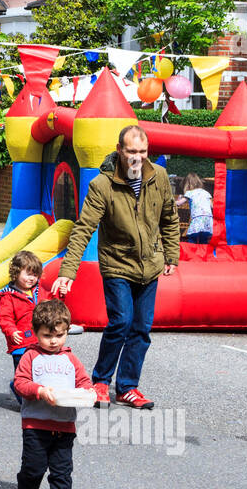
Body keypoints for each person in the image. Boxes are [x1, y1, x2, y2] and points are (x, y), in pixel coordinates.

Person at [51, 124, 179, 410]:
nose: (137, 157)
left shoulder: (158, 177)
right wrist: (68, 272)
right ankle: (100, 381)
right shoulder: (102, 185)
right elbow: (84, 229)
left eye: (143, 151)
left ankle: (128, 387)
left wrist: (171, 254)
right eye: (132, 151)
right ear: (120, 150)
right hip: (117, 264)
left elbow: (169, 218)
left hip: (150, 265)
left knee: (142, 328)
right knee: (121, 321)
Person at [12, 299, 91, 489]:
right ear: (36, 332)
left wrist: (88, 393)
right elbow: (20, 383)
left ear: (67, 332)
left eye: (59, 335)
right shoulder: (31, 356)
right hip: (36, 424)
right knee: (34, 467)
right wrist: (39, 391)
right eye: (47, 336)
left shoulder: (71, 359)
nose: (54, 341)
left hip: (65, 424)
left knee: (62, 467)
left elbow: (84, 381)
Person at [0, 249, 43, 394]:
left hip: (39, 341)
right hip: (20, 343)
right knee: (23, 374)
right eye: (28, 274)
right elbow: (5, 317)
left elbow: (51, 308)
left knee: (38, 372)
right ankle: (22, 396)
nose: (32, 278)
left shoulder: (38, 291)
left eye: (35, 275)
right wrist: (11, 331)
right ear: (16, 273)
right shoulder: (8, 296)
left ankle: (35, 396)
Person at [177, 172, 214, 244]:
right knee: (204, 240)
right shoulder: (206, 192)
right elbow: (212, 206)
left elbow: (179, 203)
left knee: (192, 238)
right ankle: (203, 254)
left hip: (197, 219)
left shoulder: (190, 193)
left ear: (187, 184)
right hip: (208, 220)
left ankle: (192, 254)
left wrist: (174, 200)